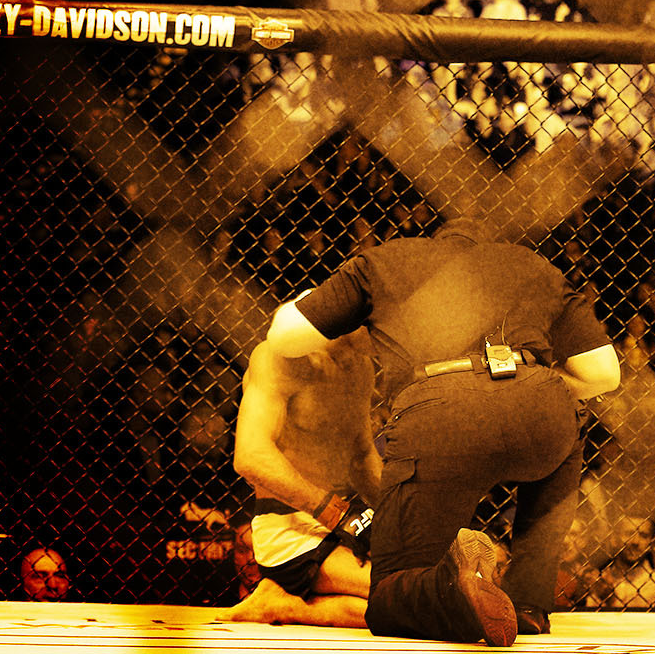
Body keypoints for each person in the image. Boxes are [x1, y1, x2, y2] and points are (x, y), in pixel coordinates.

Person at [265, 215, 619, 647]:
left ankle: (453, 584)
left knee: (389, 597)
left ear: (432, 239)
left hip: (438, 412)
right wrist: (526, 384)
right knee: (570, 420)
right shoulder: (532, 265)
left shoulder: (383, 260)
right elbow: (604, 374)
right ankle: (527, 602)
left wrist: (317, 303)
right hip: (537, 401)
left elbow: (284, 337)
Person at [222, 328, 380, 628]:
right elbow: (250, 455)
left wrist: (398, 519)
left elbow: (362, 457)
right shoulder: (279, 358)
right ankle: (287, 603)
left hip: (348, 522)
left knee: (421, 589)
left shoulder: (361, 366)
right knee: (406, 598)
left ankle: (284, 600)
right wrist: (337, 513)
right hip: (290, 529)